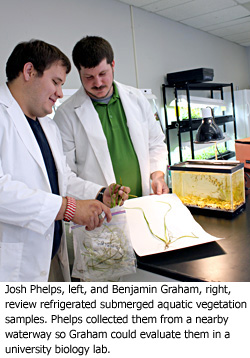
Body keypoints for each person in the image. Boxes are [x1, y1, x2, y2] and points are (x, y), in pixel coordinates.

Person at [0, 39, 129, 282]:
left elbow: (62, 180)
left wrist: (101, 194)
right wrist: (67, 208)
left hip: (51, 257)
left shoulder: (47, 126)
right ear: (29, 71)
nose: (60, 93)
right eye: (56, 82)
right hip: (11, 266)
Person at [54, 35, 169, 198]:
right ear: (79, 72)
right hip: (98, 209)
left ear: (113, 65)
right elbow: (66, 174)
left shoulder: (136, 98)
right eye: (89, 77)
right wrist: (99, 195)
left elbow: (156, 143)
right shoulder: (66, 114)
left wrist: (158, 176)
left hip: (142, 200)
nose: (98, 83)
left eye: (103, 73)